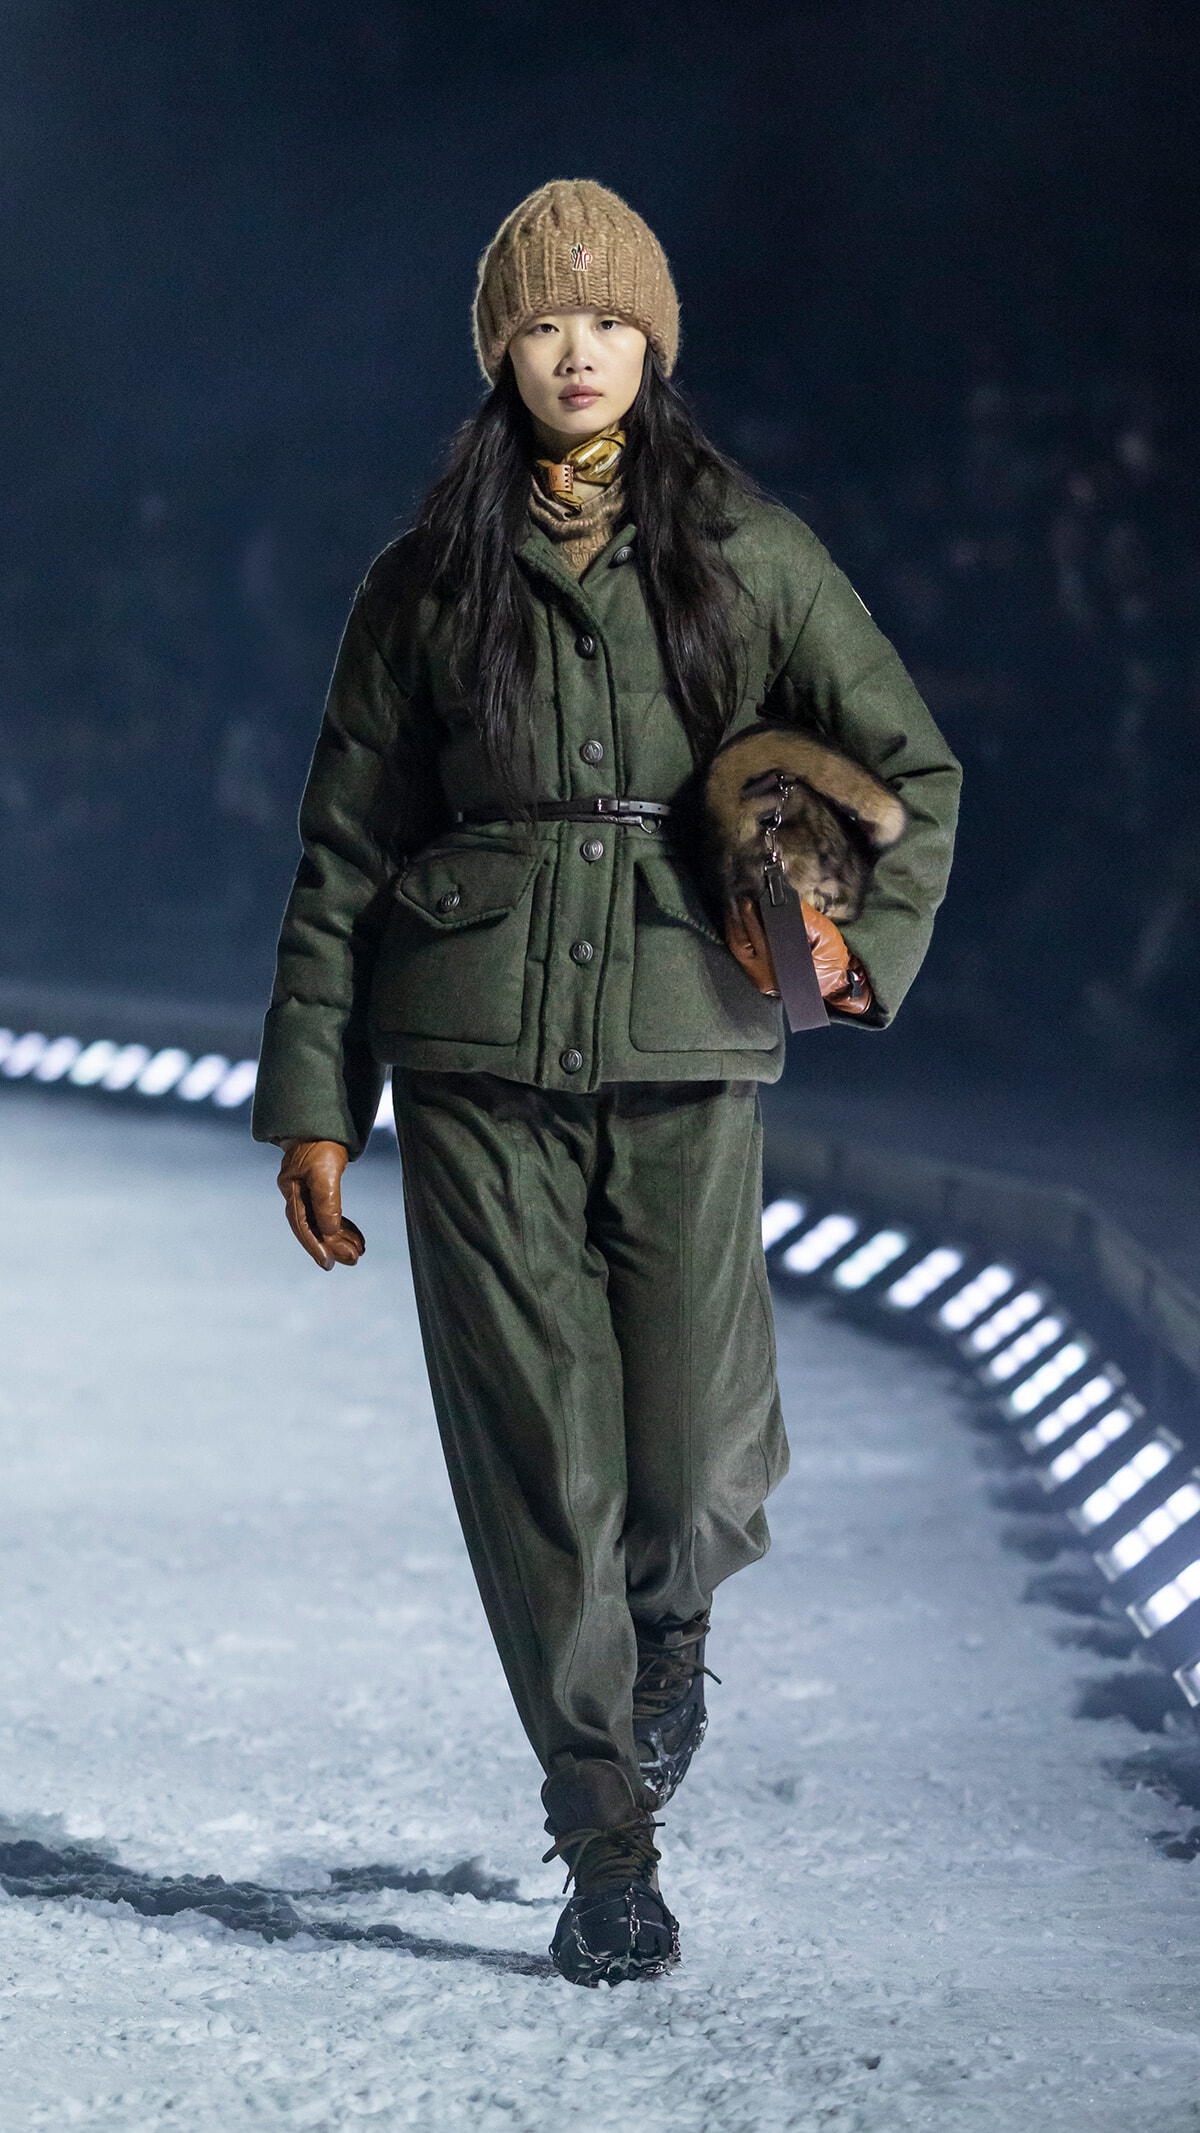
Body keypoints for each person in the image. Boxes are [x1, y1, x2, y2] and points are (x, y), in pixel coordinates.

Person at [251, 179, 961, 1987]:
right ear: (502, 350)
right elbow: (342, 851)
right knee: (534, 1466)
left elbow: (910, 767)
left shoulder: (749, 549)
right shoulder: (422, 581)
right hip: (474, 1047)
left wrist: (858, 939)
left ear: (652, 344)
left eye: (609, 322)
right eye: (545, 324)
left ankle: (669, 1641)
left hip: (683, 1034)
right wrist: (316, 1103)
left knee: (702, 1457)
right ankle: (604, 1837)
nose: (578, 352)